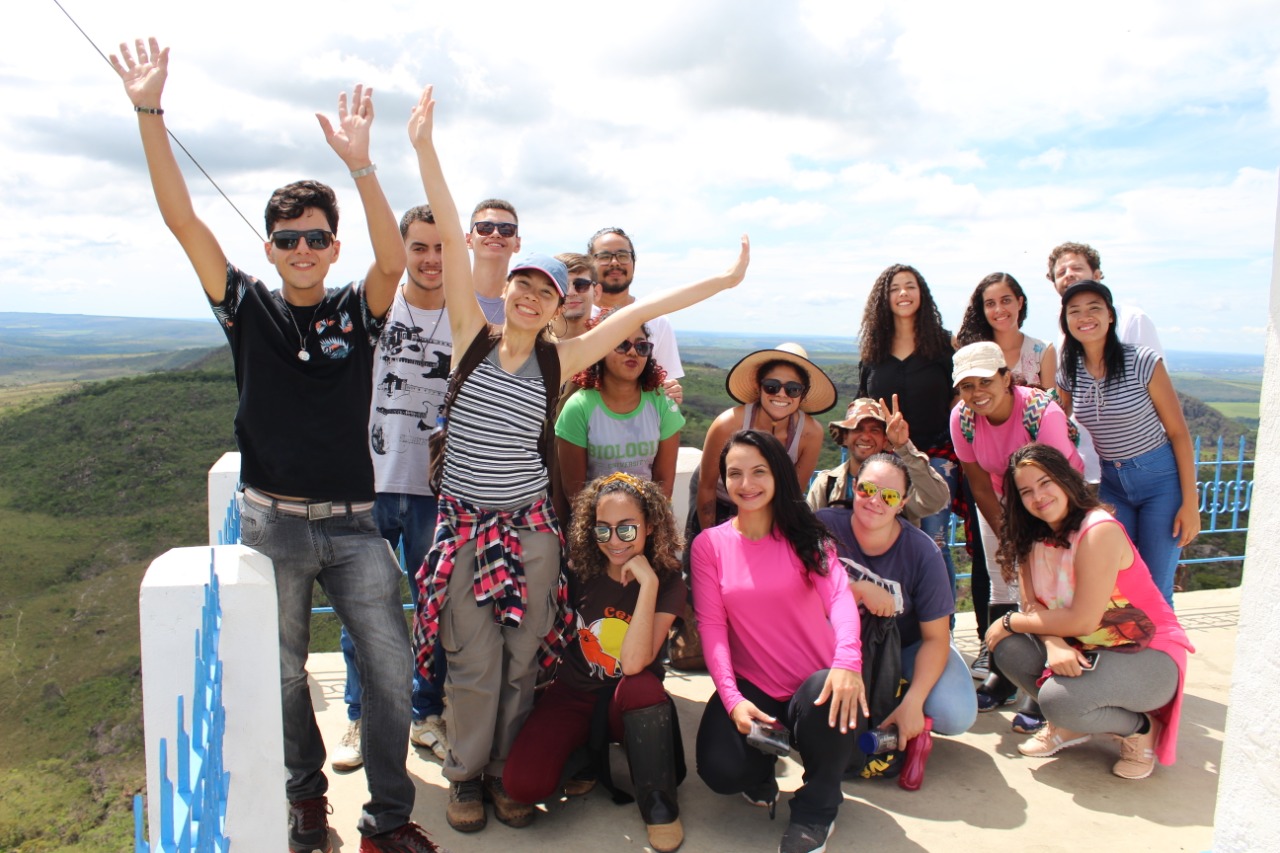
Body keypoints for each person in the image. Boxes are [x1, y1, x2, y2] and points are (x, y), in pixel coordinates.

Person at [111, 38, 441, 852]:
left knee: (393, 668)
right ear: (268, 247)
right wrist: (149, 113)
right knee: (286, 674)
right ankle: (305, 804)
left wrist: (363, 167)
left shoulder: (355, 312)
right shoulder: (246, 306)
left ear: (333, 246)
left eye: (316, 238)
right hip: (270, 524)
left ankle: (389, 818)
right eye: (288, 237)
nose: (302, 249)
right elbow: (181, 218)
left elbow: (393, 261)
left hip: (356, 523)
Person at [408, 83, 749, 834]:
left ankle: (505, 769)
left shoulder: (560, 361)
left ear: (559, 303)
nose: (530, 296)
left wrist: (723, 283)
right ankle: (466, 774)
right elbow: (454, 224)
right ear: (510, 294)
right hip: (465, 527)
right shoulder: (472, 332)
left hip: (530, 528)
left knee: (527, 654)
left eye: (545, 289)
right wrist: (425, 147)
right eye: (522, 285)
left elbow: (638, 314)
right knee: (472, 658)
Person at [692, 429, 865, 853]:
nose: (746, 484)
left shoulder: (808, 537)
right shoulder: (709, 545)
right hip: (755, 685)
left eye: (758, 472)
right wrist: (732, 699)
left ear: (779, 477)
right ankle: (761, 767)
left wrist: (847, 664)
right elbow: (712, 628)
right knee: (720, 770)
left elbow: (841, 599)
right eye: (735, 474)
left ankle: (817, 810)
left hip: (816, 685)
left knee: (828, 698)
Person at [504, 473, 689, 853]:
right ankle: (585, 751)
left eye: (627, 528)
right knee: (523, 785)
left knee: (641, 686)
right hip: (575, 692)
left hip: (630, 701)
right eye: (602, 530)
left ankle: (659, 804)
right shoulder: (579, 571)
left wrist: (648, 585)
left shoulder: (668, 580)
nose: (614, 541)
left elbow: (635, 662)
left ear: (650, 525)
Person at [986, 444, 1194, 780]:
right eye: (1026, 491)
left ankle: (1141, 729)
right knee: (1007, 648)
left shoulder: (1099, 530)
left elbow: (1082, 619)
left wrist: (1009, 621)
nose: (1038, 496)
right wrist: (1054, 644)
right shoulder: (1031, 536)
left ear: (1065, 480)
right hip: (1086, 648)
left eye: (1045, 482)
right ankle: (1073, 723)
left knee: (1055, 697)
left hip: (1148, 656)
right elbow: (1032, 605)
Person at [333, 205, 453, 774]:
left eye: (441, 247)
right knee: (363, 610)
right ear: (401, 249)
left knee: (434, 612)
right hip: (370, 484)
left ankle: (425, 713)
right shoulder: (373, 310)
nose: (431, 260)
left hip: (437, 489)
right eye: (419, 247)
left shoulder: (470, 320)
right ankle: (362, 715)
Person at [949, 341, 1083, 714]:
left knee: (1049, 586)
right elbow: (977, 482)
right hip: (1000, 495)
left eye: (985, 382)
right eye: (966, 386)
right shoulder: (962, 419)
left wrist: (1032, 536)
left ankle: (1048, 685)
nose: (976, 393)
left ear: (1006, 378)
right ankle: (1003, 673)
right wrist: (1008, 536)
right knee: (1001, 576)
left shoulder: (1042, 413)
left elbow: (1057, 481)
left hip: (1053, 498)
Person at [817, 453, 977, 745]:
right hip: (836, 641)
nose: (875, 501)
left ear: (903, 503)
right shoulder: (823, 527)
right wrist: (858, 590)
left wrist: (914, 702)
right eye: (867, 489)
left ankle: (899, 698)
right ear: (854, 486)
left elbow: (935, 638)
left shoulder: (922, 552)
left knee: (954, 714)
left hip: (906, 645)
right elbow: (796, 598)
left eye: (889, 496)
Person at [1056, 281, 1199, 605]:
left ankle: (1166, 656)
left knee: (1156, 590)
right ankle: (1128, 655)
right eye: (1074, 311)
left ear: (1110, 316)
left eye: (1094, 307)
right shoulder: (1069, 369)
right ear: (1066, 321)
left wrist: (1190, 504)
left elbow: (1178, 433)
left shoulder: (1143, 361)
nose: (1084, 317)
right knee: (1118, 586)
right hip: (1112, 485)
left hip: (1160, 483)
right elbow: (1057, 426)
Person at [856, 264, 960, 603]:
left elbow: (960, 401)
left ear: (922, 294)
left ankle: (942, 628)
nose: (903, 293)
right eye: (895, 288)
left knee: (934, 544)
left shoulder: (945, 347)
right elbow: (862, 404)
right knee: (884, 541)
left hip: (935, 459)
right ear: (883, 299)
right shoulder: (874, 350)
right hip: (885, 464)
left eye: (910, 286)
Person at [1046, 241, 1164, 484]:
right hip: (1084, 465)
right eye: (1061, 272)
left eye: (1076, 268)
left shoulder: (1132, 320)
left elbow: (1160, 396)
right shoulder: (1065, 329)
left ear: (1097, 275)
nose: (1068, 275)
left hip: (1138, 463)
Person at [696, 343, 836, 531]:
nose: (781, 394)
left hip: (767, 505)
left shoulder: (810, 434)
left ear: (803, 394)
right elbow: (706, 487)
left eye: (792, 389)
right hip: (720, 499)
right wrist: (710, 536)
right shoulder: (728, 424)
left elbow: (792, 495)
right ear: (759, 387)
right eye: (772, 386)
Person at [556, 320, 684, 502]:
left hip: (651, 519)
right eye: (622, 344)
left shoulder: (662, 403)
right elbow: (575, 494)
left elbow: (664, 485)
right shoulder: (578, 408)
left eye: (641, 346)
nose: (632, 352)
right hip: (596, 522)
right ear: (601, 349)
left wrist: (646, 525)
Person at [806, 396, 949, 522]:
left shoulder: (902, 485)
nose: (865, 437)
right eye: (857, 429)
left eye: (874, 430)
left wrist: (904, 447)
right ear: (845, 437)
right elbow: (808, 531)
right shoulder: (827, 484)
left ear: (885, 440)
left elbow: (935, 501)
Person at [955, 272, 1056, 392]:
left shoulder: (1043, 351)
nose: (999, 309)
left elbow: (1050, 404)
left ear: (1019, 302)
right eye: (990, 304)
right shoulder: (972, 352)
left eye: (1005, 301)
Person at [468, 198, 521, 323]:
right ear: (468, 240)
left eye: (506, 229)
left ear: (517, 244)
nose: (496, 234)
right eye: (485, 228)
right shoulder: (446, 297)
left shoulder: (524, 306)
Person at [554, 252, 599, 341]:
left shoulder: (614, 342)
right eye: (562, 286)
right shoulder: (531, 341)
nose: (570, 292)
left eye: (581, 284)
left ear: (596, 292)